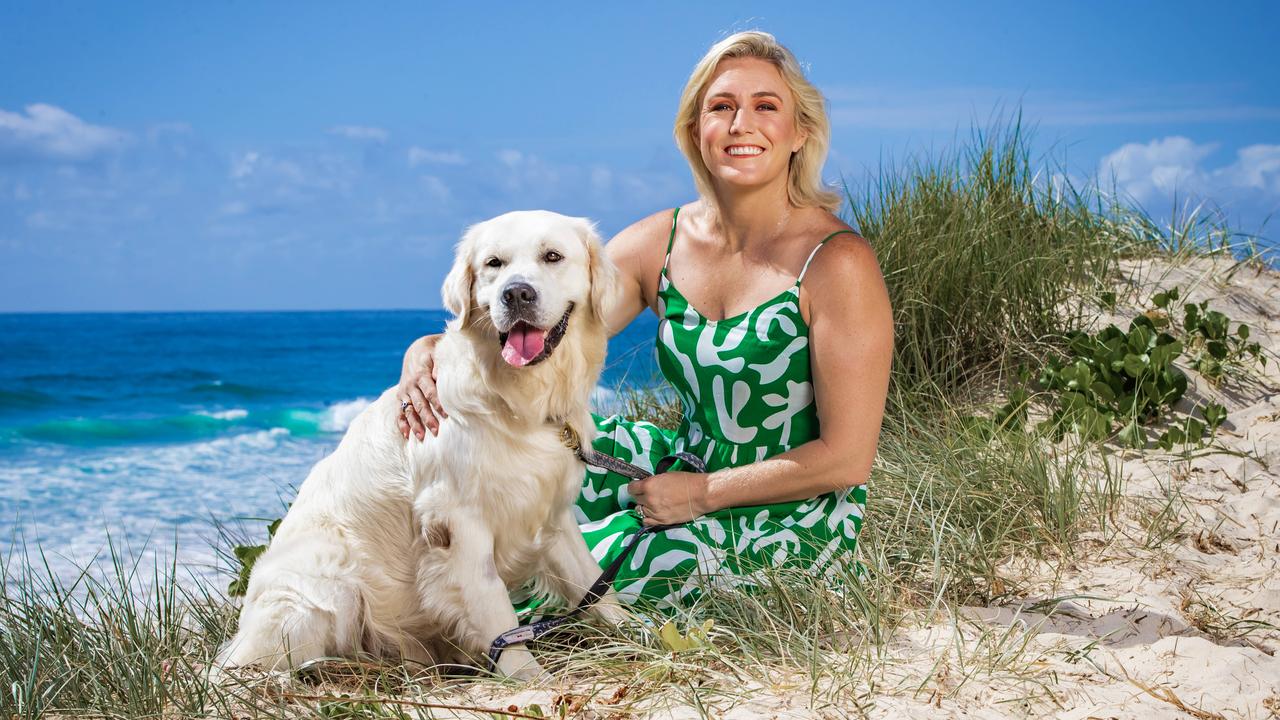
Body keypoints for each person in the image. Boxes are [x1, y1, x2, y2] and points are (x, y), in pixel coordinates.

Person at [397, 31, 893, 610]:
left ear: (800, 132)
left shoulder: (838, 263)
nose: (741, 125)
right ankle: (382, 573)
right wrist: (427, 348)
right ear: (695, 131)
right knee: (510, 476)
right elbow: (543, 323)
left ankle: (429, 621)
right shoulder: (664, 241)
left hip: (792, 514)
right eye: (721, 107)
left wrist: (703, 494)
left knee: (570, 567)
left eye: (766, 106)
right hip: (680, 463)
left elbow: (847, 457)